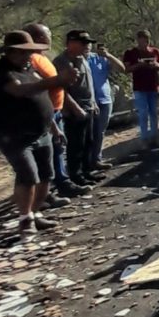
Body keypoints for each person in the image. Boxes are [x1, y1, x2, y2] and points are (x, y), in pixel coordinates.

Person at [0, 31, 76, 235]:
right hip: (13, 133)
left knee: (45, 175)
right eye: (23, 52)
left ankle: (35, 214)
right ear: (9, 51)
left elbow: (41, 99)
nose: (27, 56)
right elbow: (20, 90)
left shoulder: (30, 67)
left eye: (30, 52)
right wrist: (57, 80)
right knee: (27, 175)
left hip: (41, 131)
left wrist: (54, 127)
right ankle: (25, 219)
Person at [26, 23, 85, 202]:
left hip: (56, 111)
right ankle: (43, 195)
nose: (50, 37)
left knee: (57, 149)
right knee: (44, 154)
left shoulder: (44, 57)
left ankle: (60, 183)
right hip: (44, 114)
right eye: (48, 33)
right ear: (39, 38)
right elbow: (39, 87)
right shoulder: (33, 59)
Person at [54, 30, 101, 186]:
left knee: (89, 141)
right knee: (76, 144)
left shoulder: (83, 59)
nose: (86, 46)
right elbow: (62, 90)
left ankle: (87, 171)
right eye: (83, 43)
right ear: (71, 43)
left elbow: (89, 83)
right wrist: (75, 108)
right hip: (75, 110)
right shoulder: (62, 62)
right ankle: (76, 175)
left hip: (88, 107)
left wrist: (93, 103)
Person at [123, 30, 159, 148]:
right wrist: (139, 65)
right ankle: (144, 139)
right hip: (139, 87)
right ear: (137, 40)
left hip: (153, 86)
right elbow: (126, 69)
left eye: (145, 40)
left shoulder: (155, 51)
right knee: (143, 113)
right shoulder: (130, 53)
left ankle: (154, 137)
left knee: (154, 113)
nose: (143, 43)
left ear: (148, 40)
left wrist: (155, 65)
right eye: (141, 40)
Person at [88, 39, 126, 168]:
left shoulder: (100, 59)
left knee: (100, 131)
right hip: (90, 100)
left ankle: (96, 160)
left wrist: (108, 55)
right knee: (89, 132)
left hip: (105, 99)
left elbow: (122, 68)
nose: (88, 46)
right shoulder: (81, 60)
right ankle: (87, 161)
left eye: (89, 43)